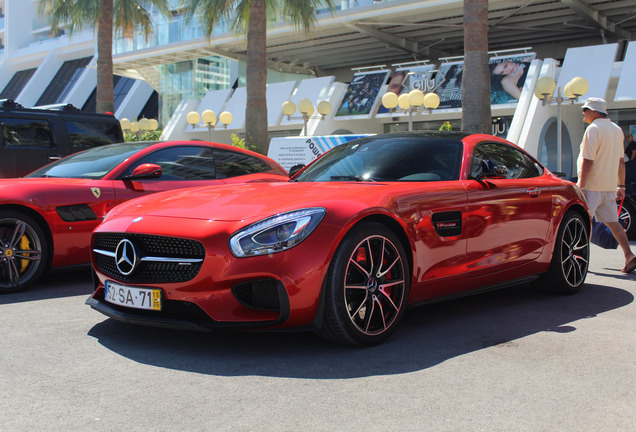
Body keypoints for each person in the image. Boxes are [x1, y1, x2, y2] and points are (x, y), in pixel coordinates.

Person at [576, 97, 636, 274]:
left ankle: (578, 260)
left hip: (591, 187)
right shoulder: (616, 130)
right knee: (613, 223)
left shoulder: (593, 129)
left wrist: (581, 185)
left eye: (585, 109)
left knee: (581, 224)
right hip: (608, 186)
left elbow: (587, 161)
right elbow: (620, 162)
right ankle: (629, 255)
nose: (583, 112)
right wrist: (621, 186)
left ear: (594, 111)